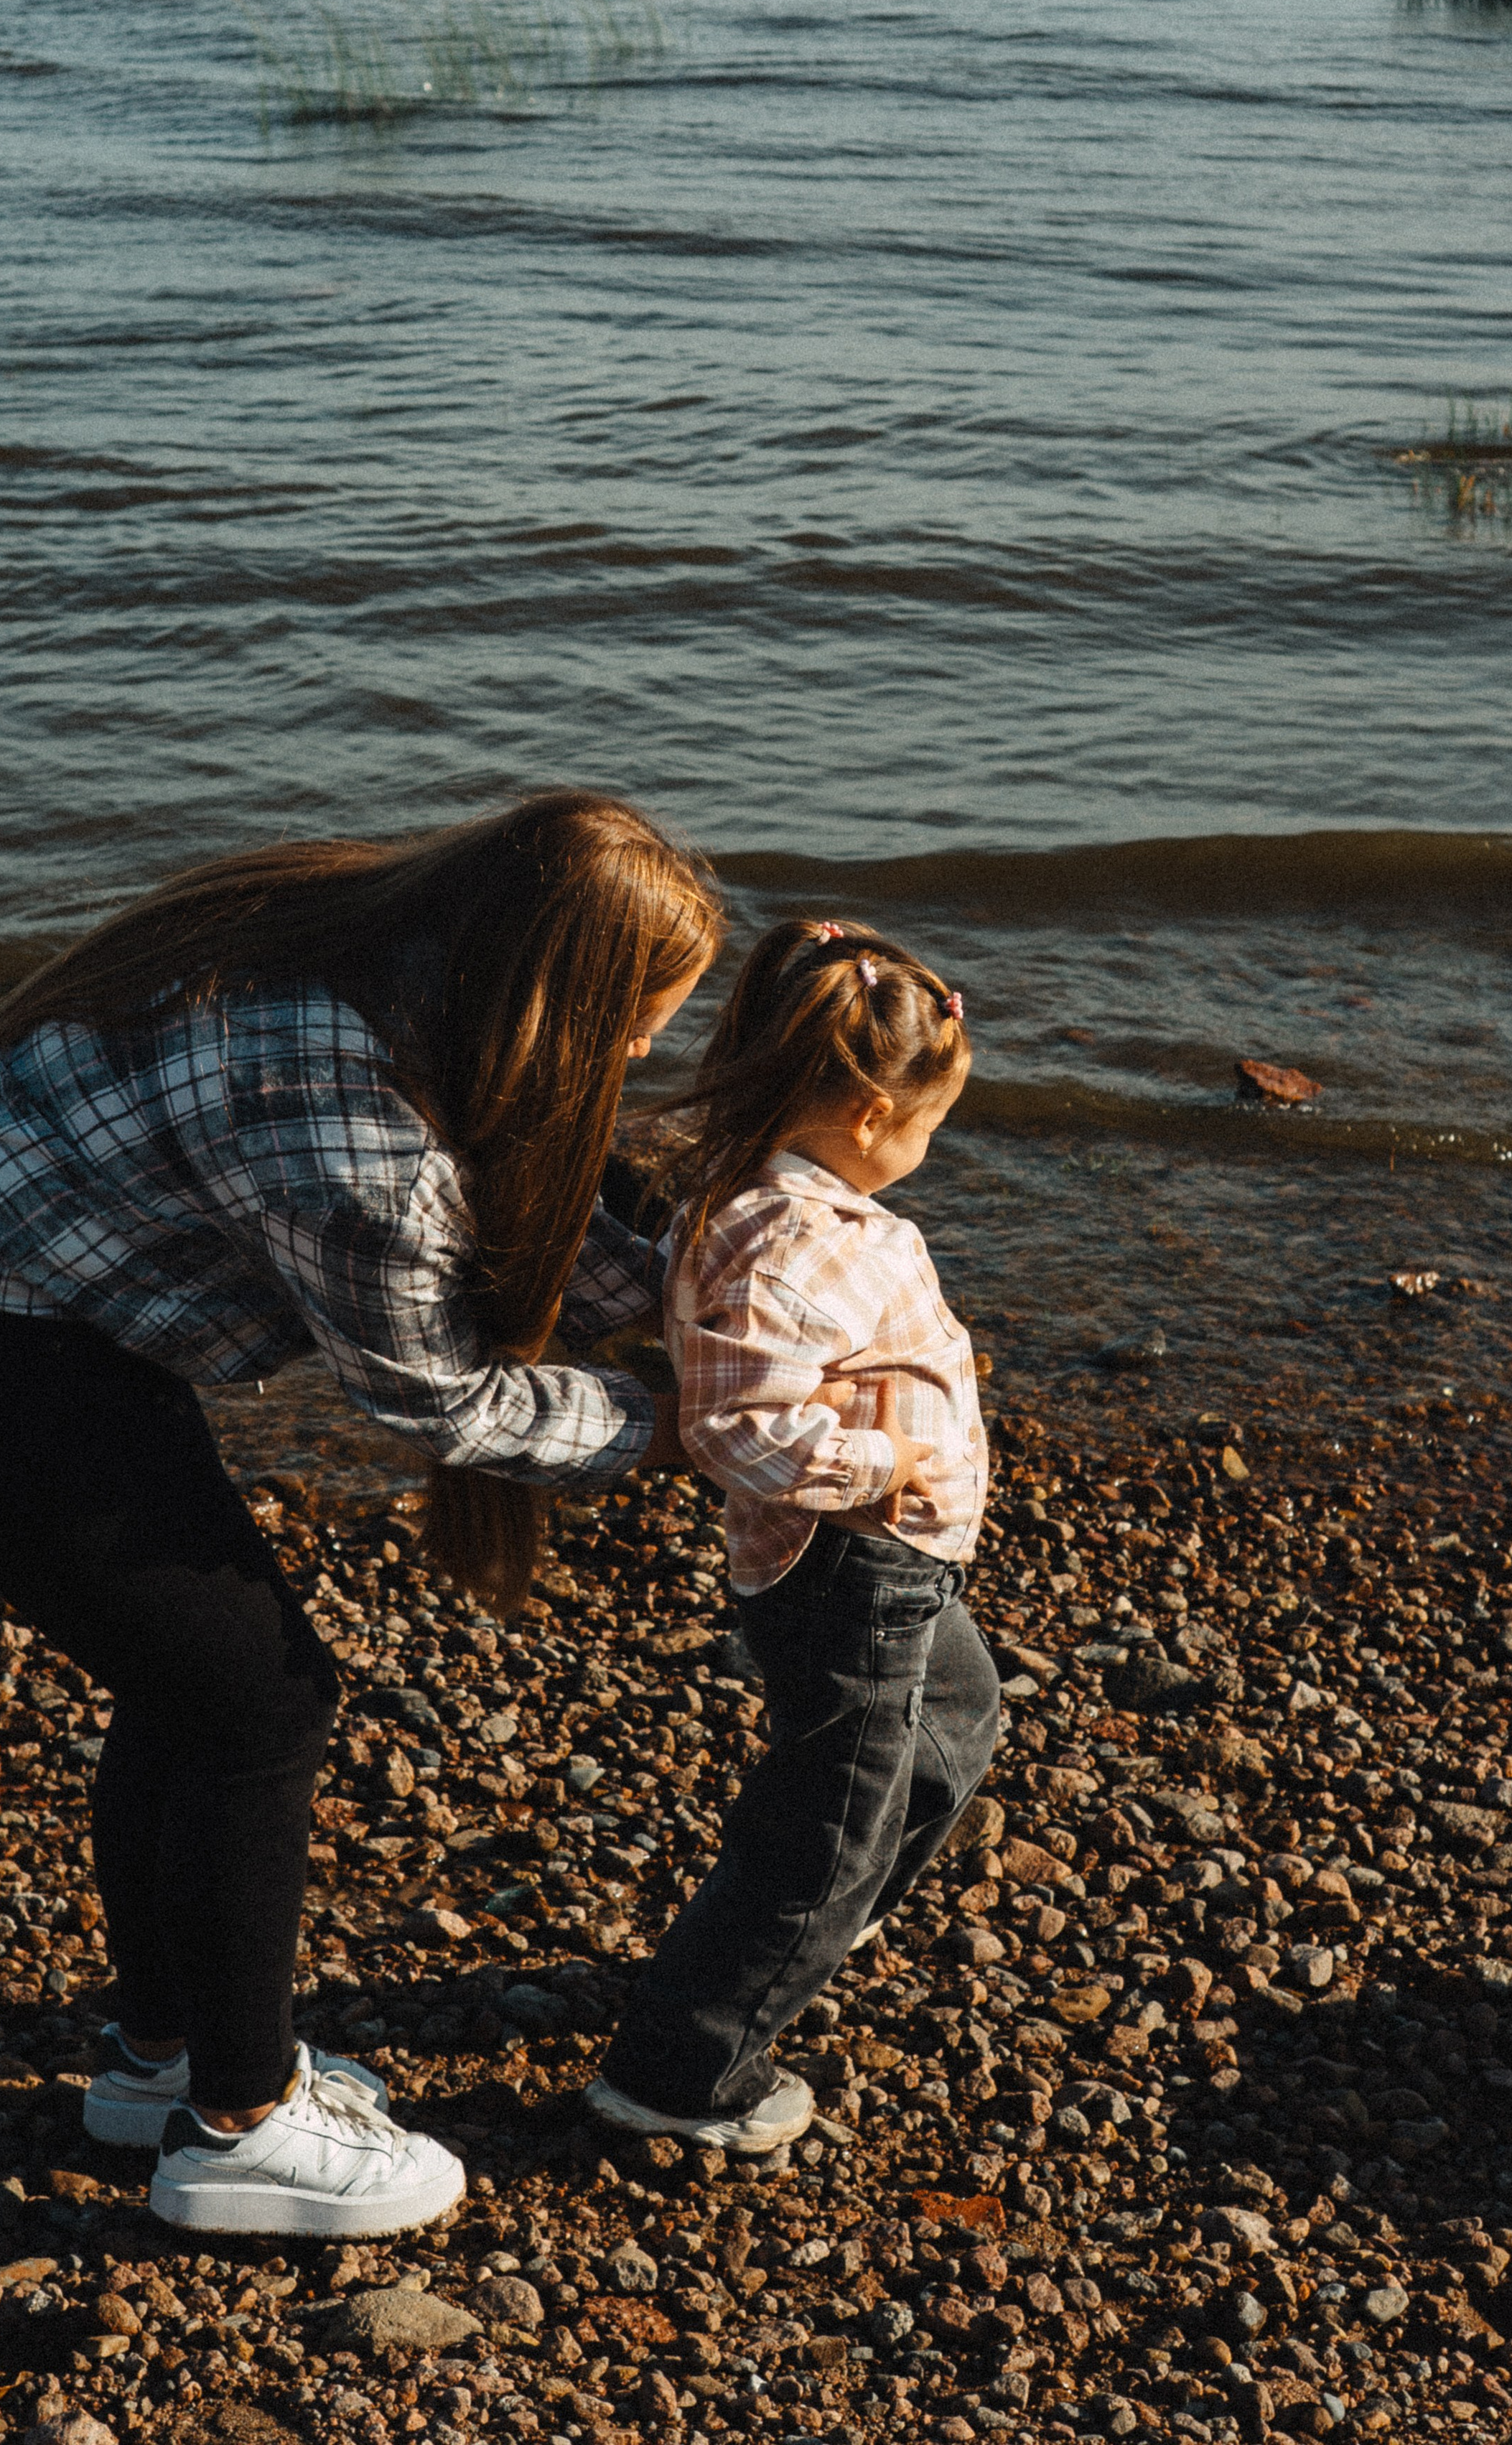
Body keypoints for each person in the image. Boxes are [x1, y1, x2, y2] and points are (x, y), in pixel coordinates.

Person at [0, 791, 723, 2237]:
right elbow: (438, 1402)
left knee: (186, 1691)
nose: (637, 1060)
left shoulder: (377, 941)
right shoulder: (356, 1141)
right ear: (548, 1000)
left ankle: (157, 2061)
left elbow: (525, 1207)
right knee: (261, 1708)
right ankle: (241, 2130)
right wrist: (676, 1427)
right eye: (629, 1031)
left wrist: (711, 1311)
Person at [586, 916, 998, 2153]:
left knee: (959, 1720)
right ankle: (682, 2066)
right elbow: (732, 1429)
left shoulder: (775, 1201)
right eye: (929, 1127)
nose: (927, 1149)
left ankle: (806, 1925)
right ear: (870, 1114)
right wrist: (888, 1461)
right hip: (852, 1565)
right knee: (830, 1819)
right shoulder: (789, 1242)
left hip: (899, 1564)